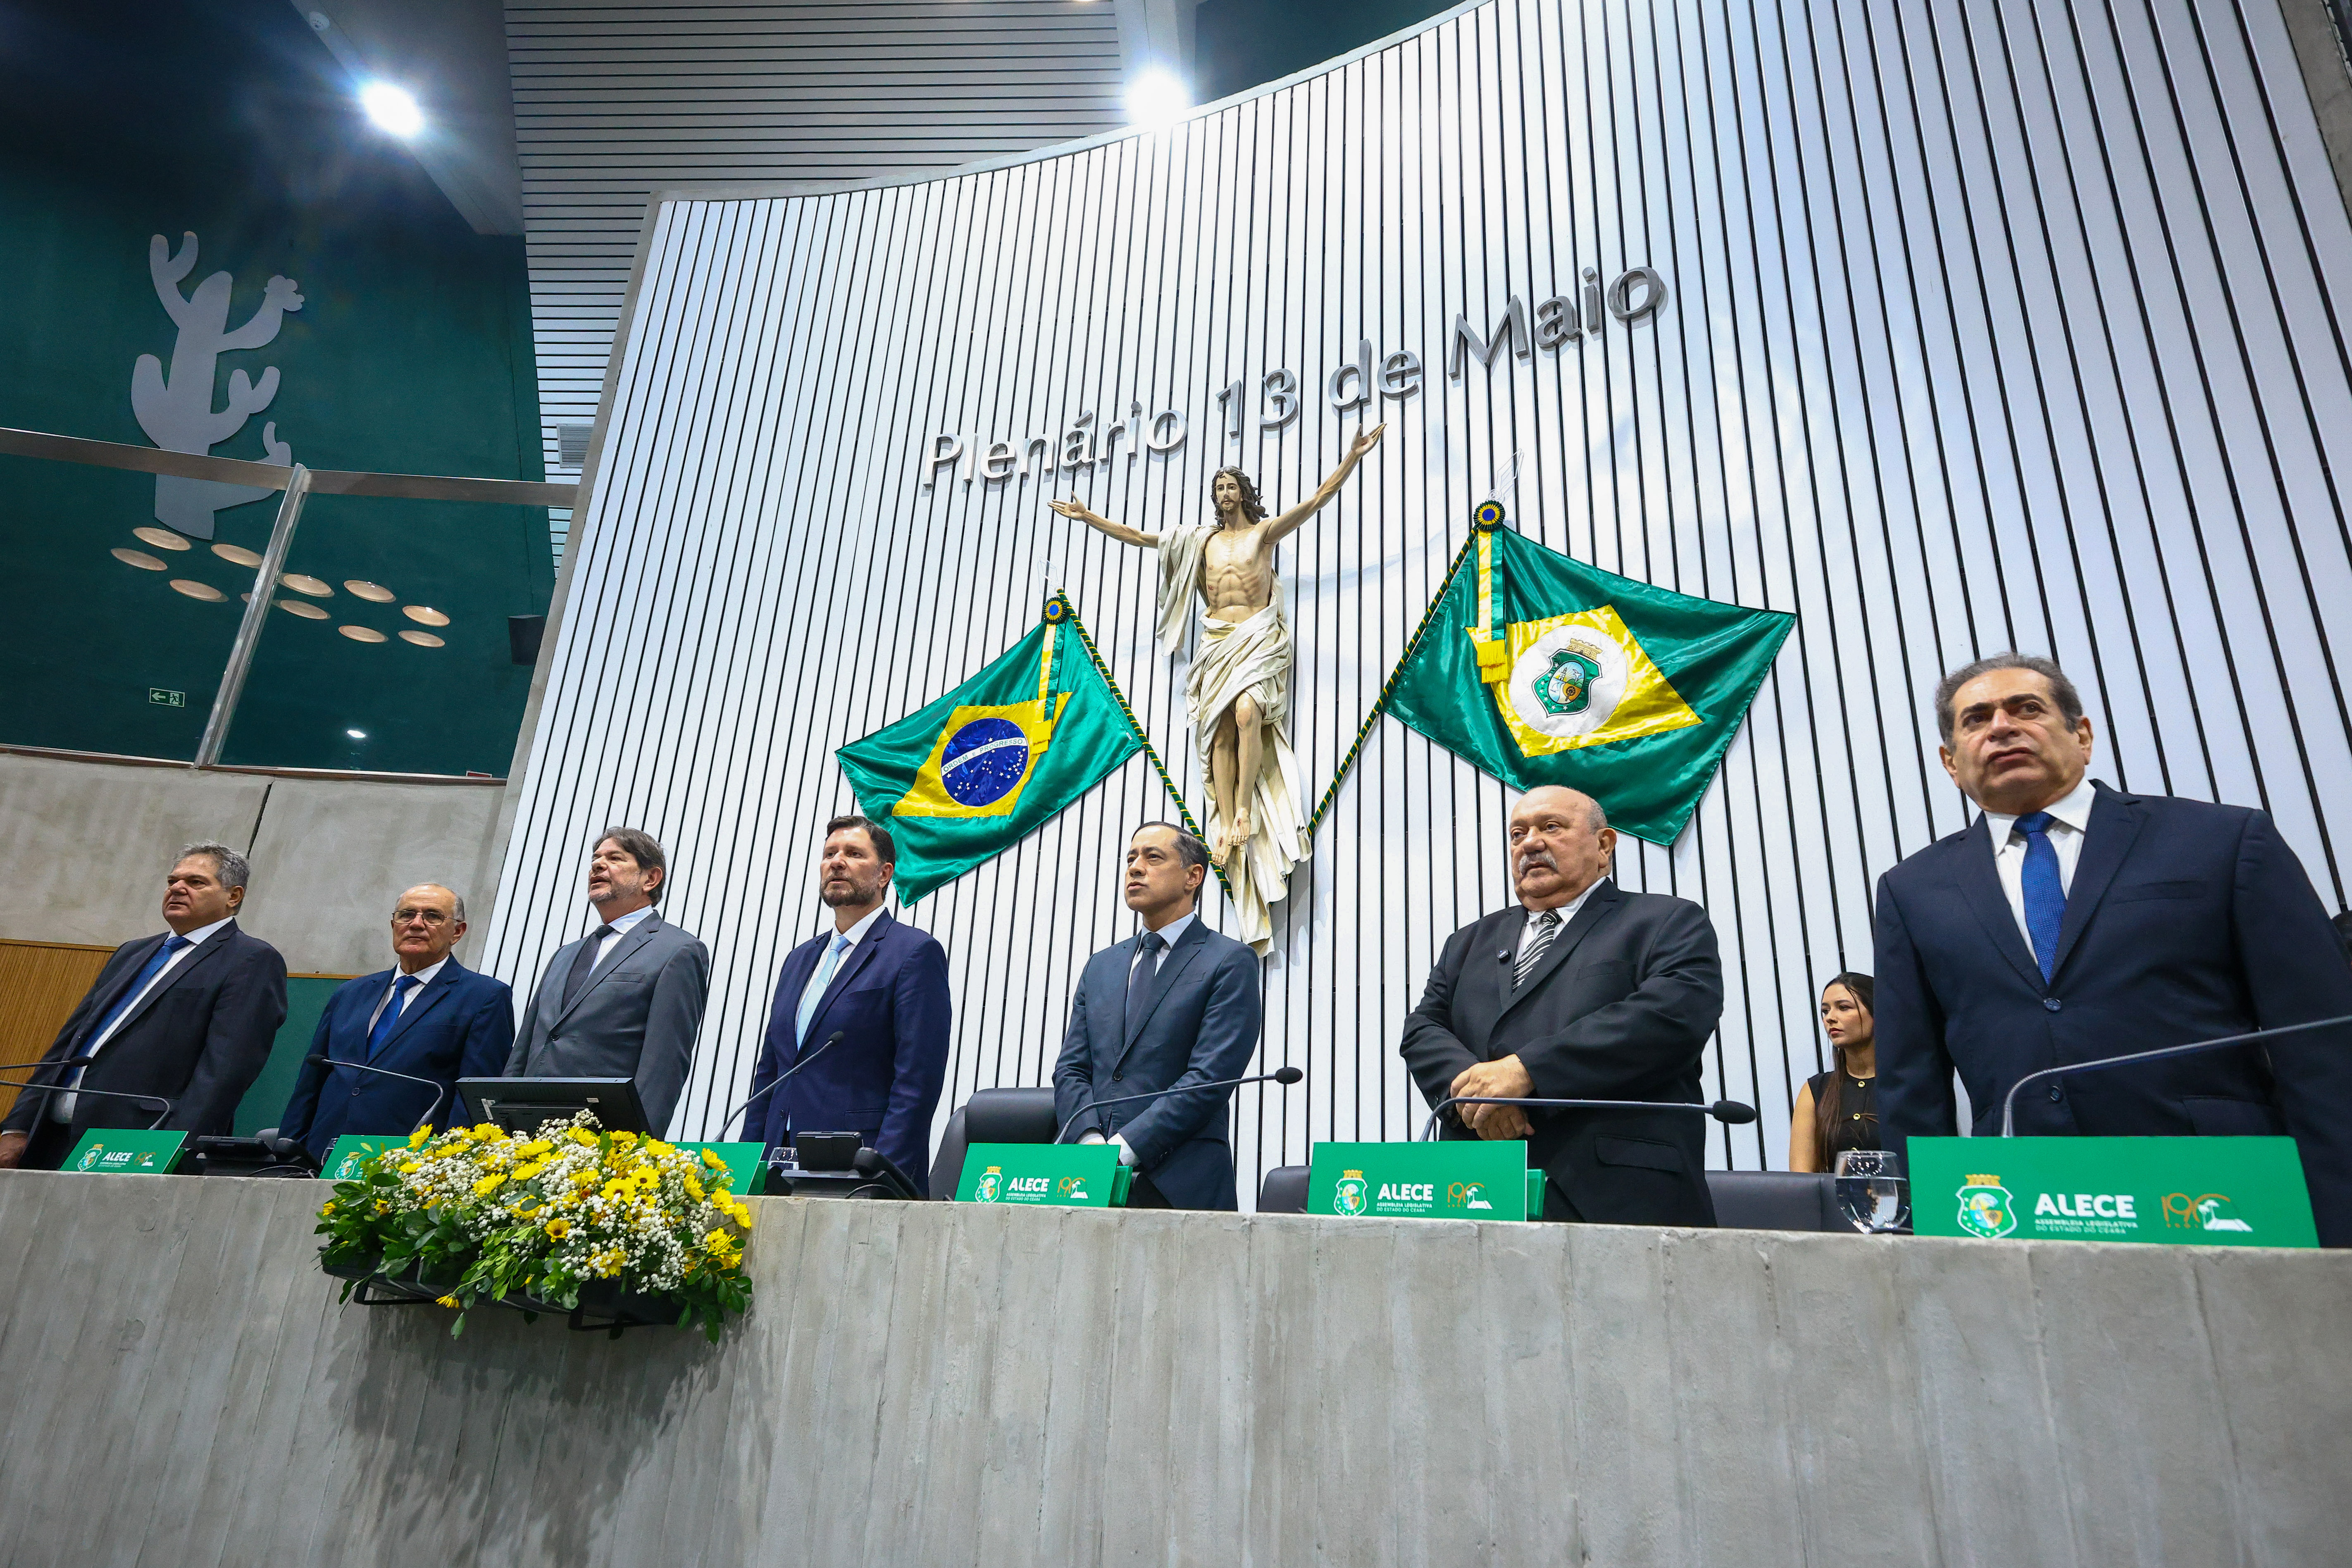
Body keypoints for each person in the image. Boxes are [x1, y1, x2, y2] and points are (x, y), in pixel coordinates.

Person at [1874, 653, 2352, 1245]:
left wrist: (2337, 1222)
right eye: (1976, 719)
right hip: (2022, 1205)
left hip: (2221, 1193)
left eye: (2026, 708)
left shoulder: (2222, 840)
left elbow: (2320, 1044)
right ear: (1950, 762)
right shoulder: (1911, 890)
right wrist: (1920, 1236)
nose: (2001, 727)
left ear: (2082, 735)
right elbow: (1909, 1083)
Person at [1048, 425, 1384, 951]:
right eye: (1219, 488)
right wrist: (1090, 518)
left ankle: (1245, 809)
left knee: (1249, 713)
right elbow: (1141, 537)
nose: (1225, 494)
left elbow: (1319, 499)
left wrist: (1351, 458)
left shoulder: (1263, 533)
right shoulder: (1198, 541)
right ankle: (1226, 821)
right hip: (1216, 640)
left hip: (1256, 635)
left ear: (1244, 493)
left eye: (1232, 486)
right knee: (1218, 736)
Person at [1400, 786, 1723, 1226]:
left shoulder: (1666, 921)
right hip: (1478, 1188)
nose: (1530, 843)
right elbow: (1422, 1029)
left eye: (1551, 827)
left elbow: (1669, 1017)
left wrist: (1525, 1073)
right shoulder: (1468, 942)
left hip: (1618, 1197)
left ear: (1604, 845)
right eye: (1518, 834)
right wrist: (1479, 1095)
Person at [0, 844, 287, 1170]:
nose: (177, 888)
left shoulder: (251, 959)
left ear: (233, 896)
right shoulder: (133, 952)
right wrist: (18, 1126)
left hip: (138, 1144)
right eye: (172, 881)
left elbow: (226, 1070)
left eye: (196, 882)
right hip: (50, 1139)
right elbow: (68, 1045)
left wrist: (172, 1147)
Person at [1053, 823, 1263, 1208]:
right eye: (1131, 858)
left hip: (1180, 1184)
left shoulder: (1229, 961)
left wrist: (1122, 1150)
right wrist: (1089, 1142)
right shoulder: (1101, 965)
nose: (1135, 867)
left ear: (1193, 877)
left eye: (1153, 857)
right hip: (1084, 1180)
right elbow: (1071, 1068)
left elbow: (1210, 1078)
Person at [748, 815, 951, 1193]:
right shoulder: (799, 959)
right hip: (777, 1164)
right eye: (829, 854)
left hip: (859, 1168)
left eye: (854, 854)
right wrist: (747, 1165)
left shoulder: (913, 952)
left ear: (884, 874)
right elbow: (772, 1070)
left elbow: (917, 1083)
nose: (837, 862)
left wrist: (880, 1175)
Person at [276, 884, 513, 1162]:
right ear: (393, 925)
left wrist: (447, 1163)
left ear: (457, 932)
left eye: (433, 916)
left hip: (408, 1160)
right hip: (322, 1154)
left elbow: (474, 1097)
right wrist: (288, 1151)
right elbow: (311, 1082)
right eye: (407, 915)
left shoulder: (484, 997)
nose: (416, 924)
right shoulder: (351, 993)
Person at [505, 827, 710, 1133]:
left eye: (615, 858)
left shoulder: (677, 951)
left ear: (650, 879)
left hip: (606, 1132)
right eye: (596, 859)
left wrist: (639, 1142)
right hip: (529, 1128)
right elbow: (526, 1047)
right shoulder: (565, 955)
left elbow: (664, 1064)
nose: (598, 865)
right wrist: (502, 1120)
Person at [1788, 973, 1881, 1173]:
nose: (1830, 1018)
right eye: (1825, 1011)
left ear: (1877, 1012)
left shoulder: (1908, 1086)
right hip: (1835, 1195)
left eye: (1844, 1008)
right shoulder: (1816, 1090)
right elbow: (1801, 1181)